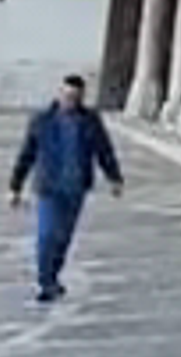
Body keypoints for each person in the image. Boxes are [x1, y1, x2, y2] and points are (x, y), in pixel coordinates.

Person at [8, 73, 124, 310]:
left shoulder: (90, 120)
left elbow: (104, 150)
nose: (70, 100)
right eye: (67, 95)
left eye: (75, 97)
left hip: (76, 188)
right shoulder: (42, 120)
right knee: (46, 234)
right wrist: (15, 186)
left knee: (63, 238)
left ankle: (53, 275)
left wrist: (114, 178)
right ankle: (45, 283)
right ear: (59, 94)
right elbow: (26, 154)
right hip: (49, 187)